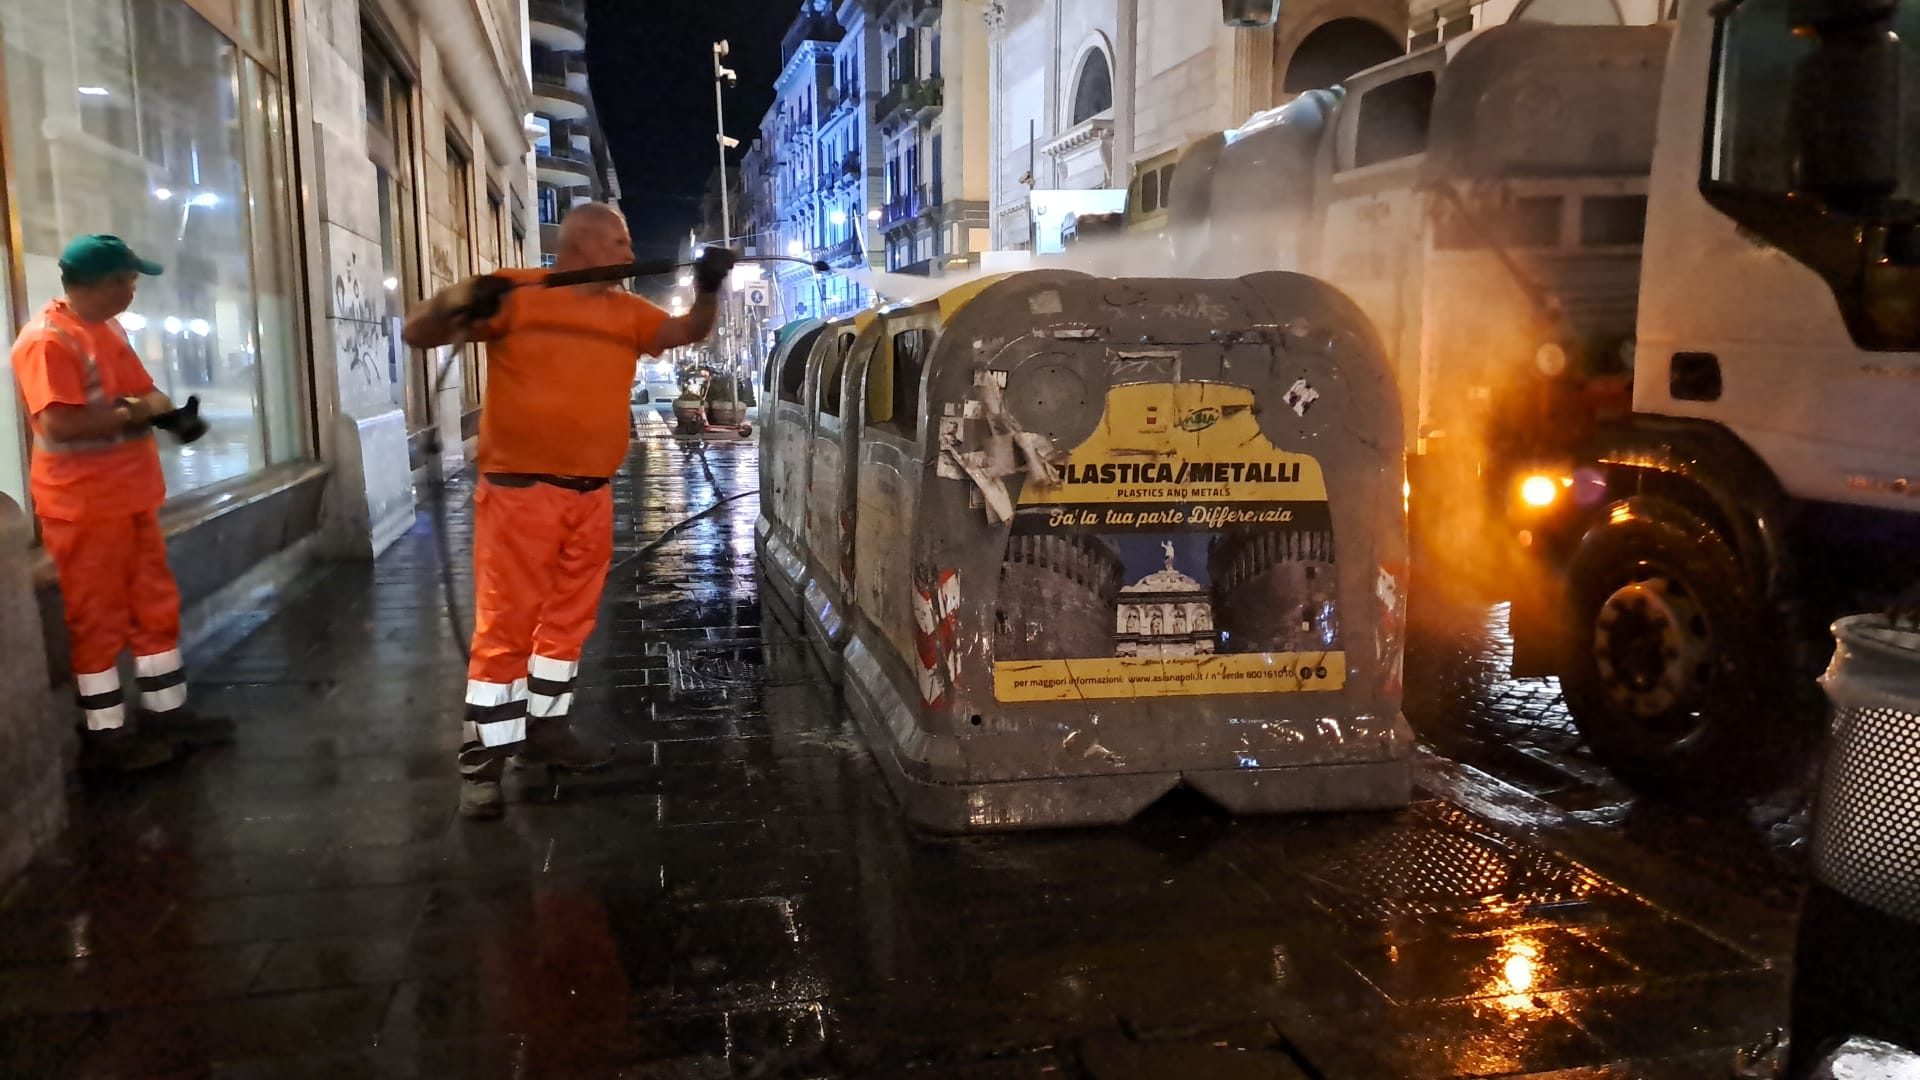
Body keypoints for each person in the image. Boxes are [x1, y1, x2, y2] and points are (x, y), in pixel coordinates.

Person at [403, 203, 734, 820]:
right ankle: (483, 763)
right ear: (582, 245)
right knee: (506, 629)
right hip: (521, 495)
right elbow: (417, 333)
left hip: (590, 496)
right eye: (620, 242)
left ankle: (546, 733)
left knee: (566, 625)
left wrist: (710, 288)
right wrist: (460, 297)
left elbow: (686, 331)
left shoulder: (625, 312)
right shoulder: (517, 294)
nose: (631, 254)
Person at [11, 235, 225, 773]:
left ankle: (165, 714)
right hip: (83, 506)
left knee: (154, 605)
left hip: (130, 496)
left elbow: (149, 394)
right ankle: (105, 737)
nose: (133, 290)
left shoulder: (107, 330)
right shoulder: (47, 340)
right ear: (104, 284)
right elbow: (59, 423)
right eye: (128, 280)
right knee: (97, 617)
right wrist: (133, 412)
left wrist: (159, 413)